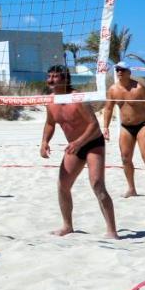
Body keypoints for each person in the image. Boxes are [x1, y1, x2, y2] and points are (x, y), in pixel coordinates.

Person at [40, 64, 117, 238]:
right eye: (49, 76)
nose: (51, 79)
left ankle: (112, 231)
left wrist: (79, 142)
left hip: (92, 143)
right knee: (62, 186)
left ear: (65, 79)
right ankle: (67, 226)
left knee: (98, 185)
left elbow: (94, 126)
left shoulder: (78, 98)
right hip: (74, 146)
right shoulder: (50, 101)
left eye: (55, 76)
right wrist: (45, 141)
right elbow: (50, 123)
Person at [101, 63, 145, 197]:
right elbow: (108, 108)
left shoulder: (139, 88)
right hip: (125, 127)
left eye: (122, 70)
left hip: (142, 125)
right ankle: (131, 189)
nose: (119, 72)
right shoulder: (113, 89)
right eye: (117, 70)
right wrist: (105, 127)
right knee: (125, 158)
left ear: (129, 72)